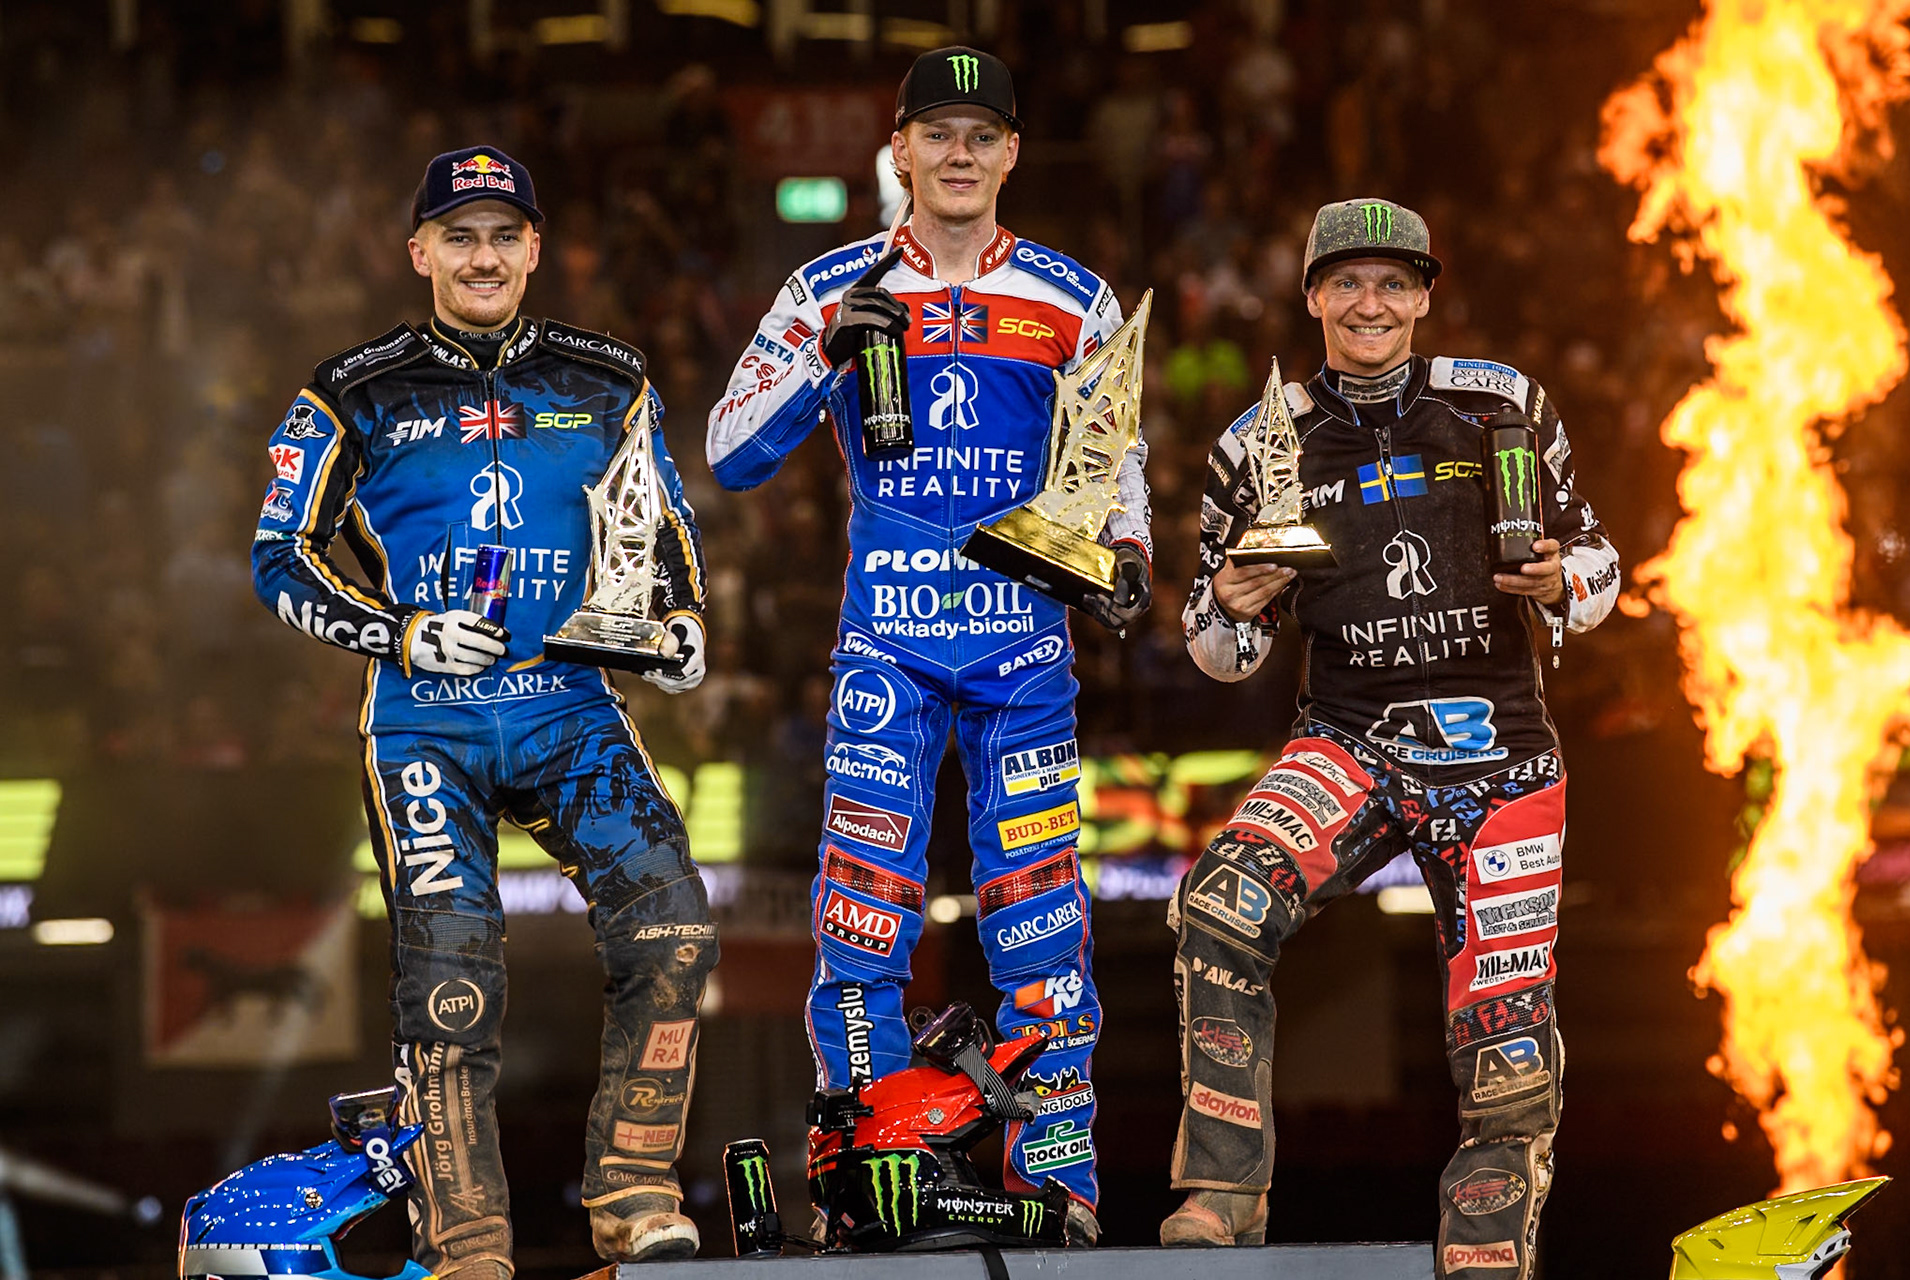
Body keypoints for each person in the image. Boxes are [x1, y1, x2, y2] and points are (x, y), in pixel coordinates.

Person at [705, 46, 1151, 1245]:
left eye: (981, 135)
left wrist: (1130, 551)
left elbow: (1120, 461)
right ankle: (860, 1176)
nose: (958, 154)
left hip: (1024, 654)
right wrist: (820, 359)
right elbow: (729, 448)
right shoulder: (828, 284)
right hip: (886, 647)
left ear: (1013, 153)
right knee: (861, 915)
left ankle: (1059, 1187)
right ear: (897, 151)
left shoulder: (1075, 296)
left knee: (1044, 924)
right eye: (936, 134)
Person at [251, 147, 717, 1272]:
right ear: (419, 254)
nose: (483, 255)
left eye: (505, 234)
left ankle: (637, 1196)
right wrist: (400, 631)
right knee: (452, 984)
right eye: (458, 236)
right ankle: (468, 1246)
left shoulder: (610, 377)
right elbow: (279, 556)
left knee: (676, 923)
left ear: (536, 250)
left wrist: (684, 616)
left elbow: (663, 522)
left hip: (570, 705)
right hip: (426, 722)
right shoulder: (349, 388)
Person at [1160, 198, 1620, 1278]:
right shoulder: (1254, 440)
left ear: (1425, 296)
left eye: (1394, 282)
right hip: (1352, 736)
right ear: (1313, 296)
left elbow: (1601, 562)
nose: (1371, 301)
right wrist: (1230, 597)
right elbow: (1217, 650)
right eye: (1348, 282)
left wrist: (1566, 580)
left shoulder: (1500, 401)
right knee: (1220, 904)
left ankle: (1487, 1259)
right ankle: (1223, 1190)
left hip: (1503, 754)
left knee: (1507, 1051)